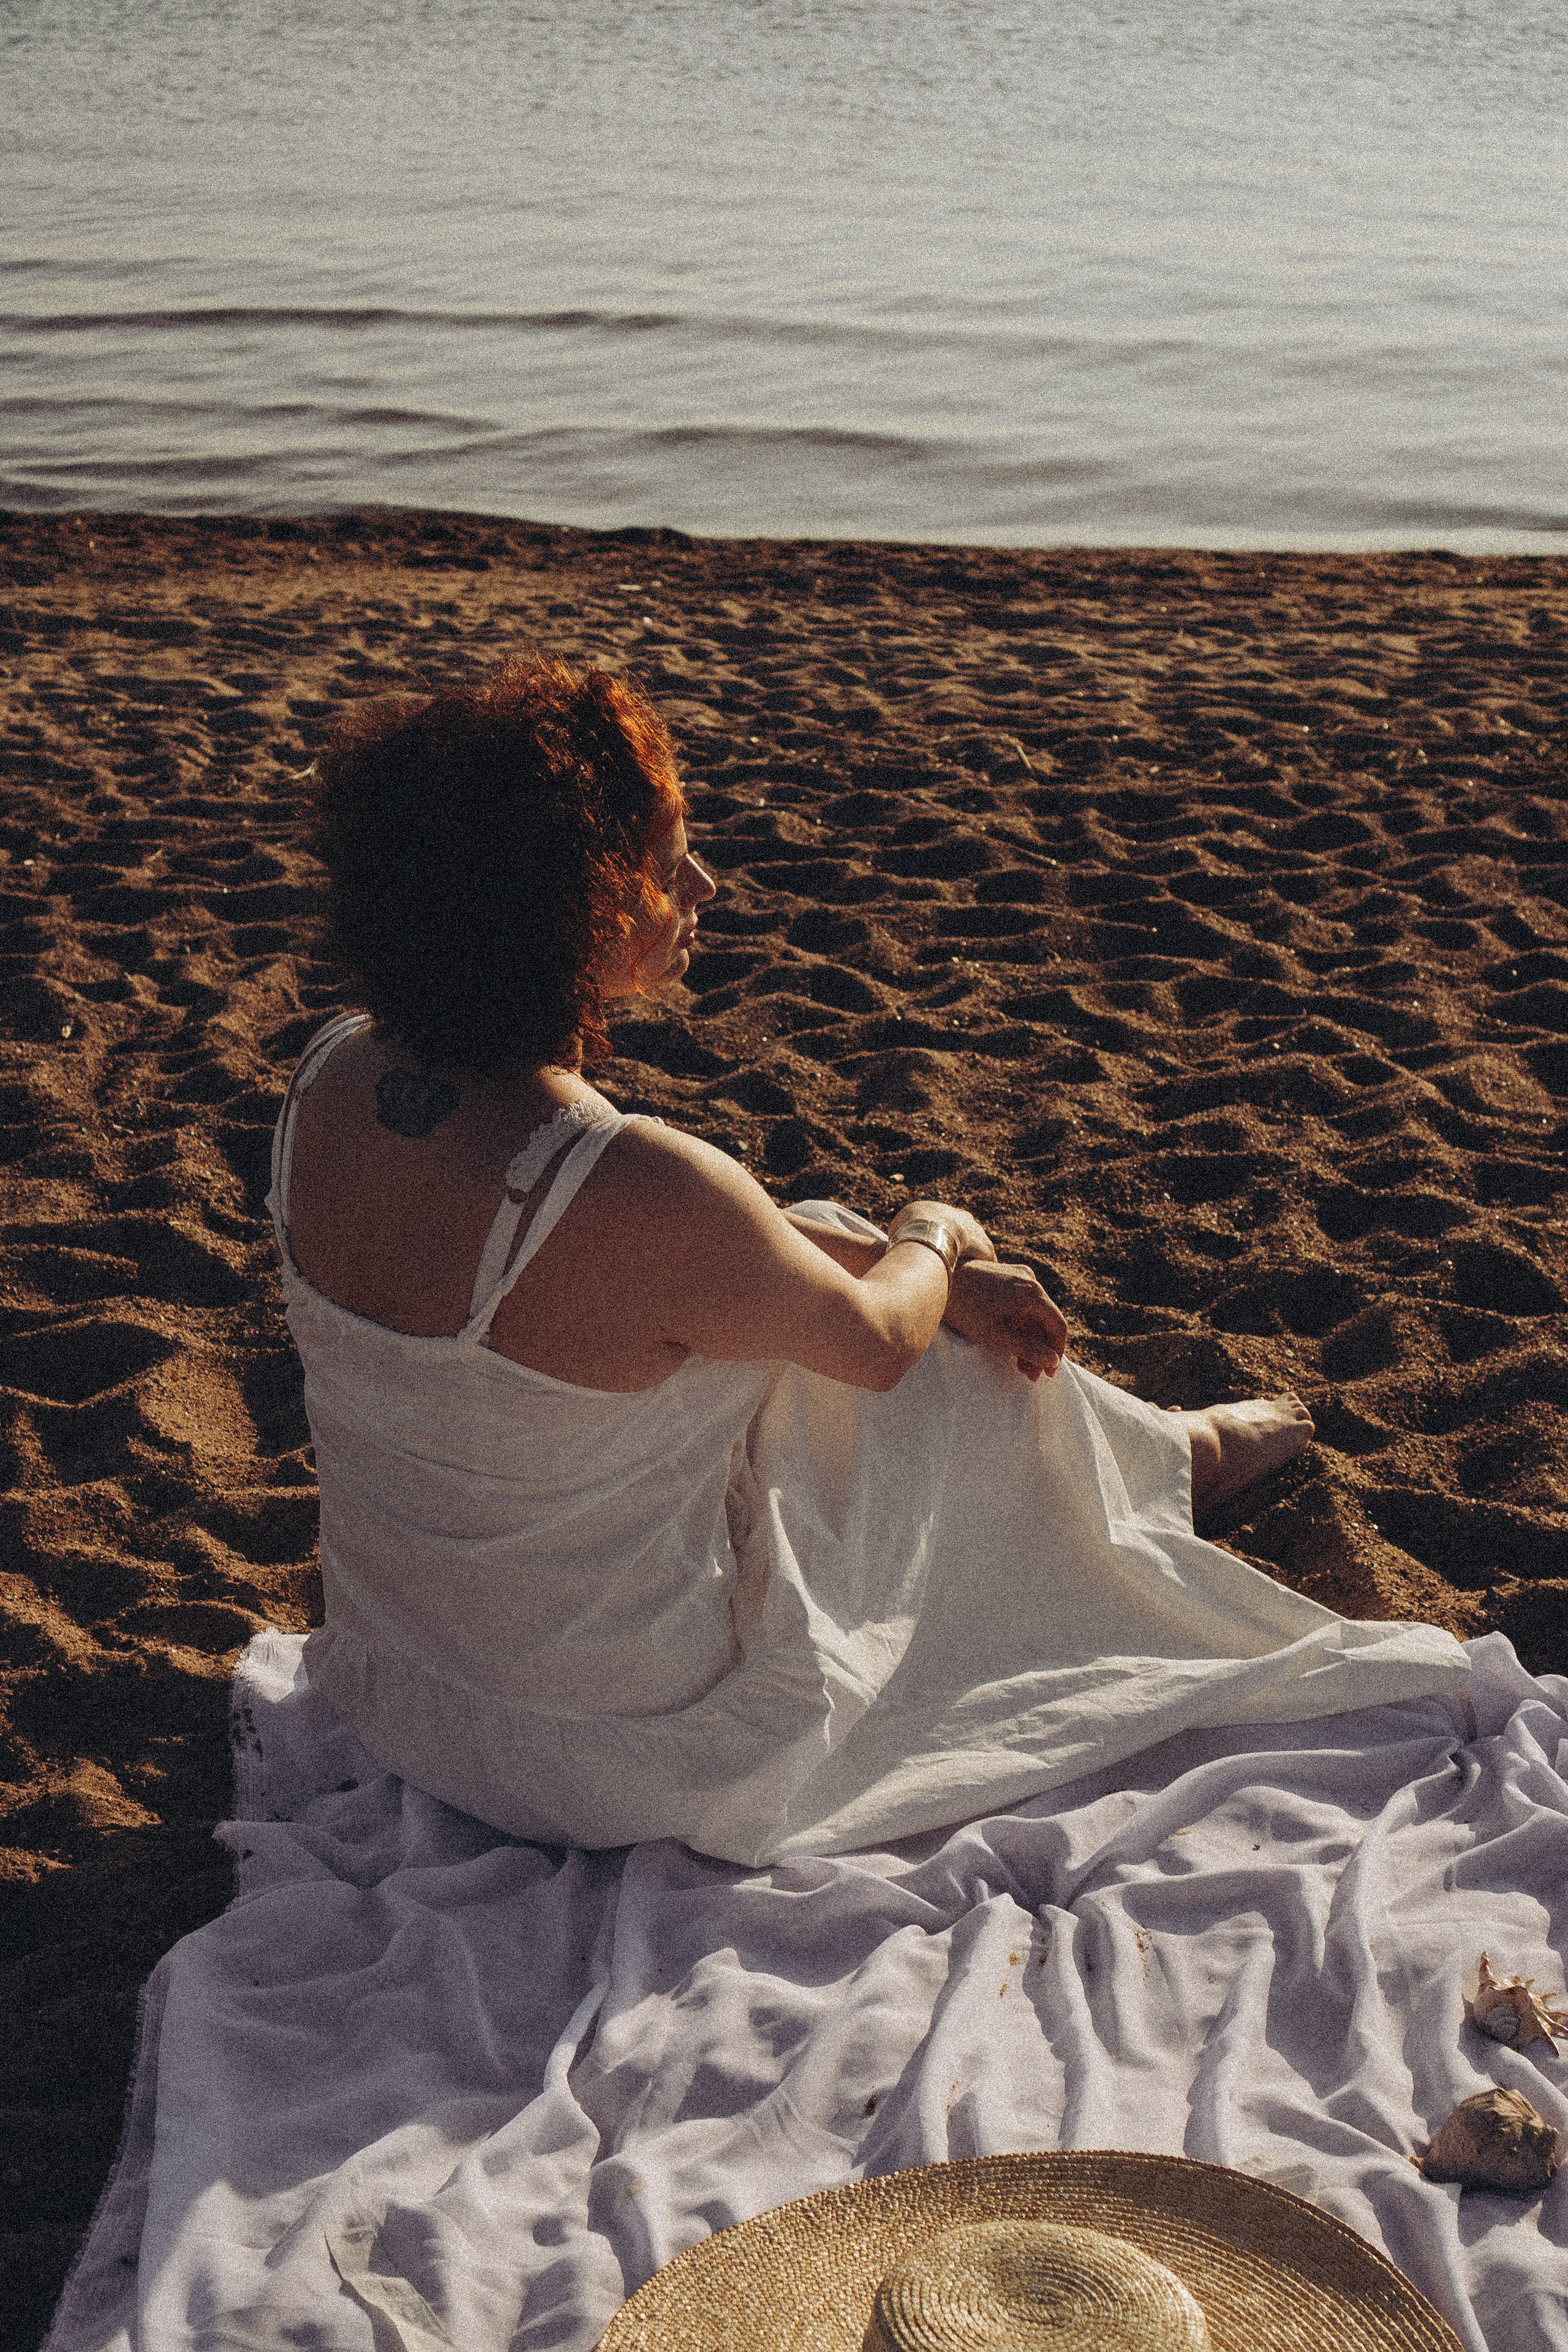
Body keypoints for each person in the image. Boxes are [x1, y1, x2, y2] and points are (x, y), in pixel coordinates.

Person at [268, 657, 1468, 1868]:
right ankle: (1166, 1463)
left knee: (813, 1252)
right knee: (898, 1350)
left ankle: (1153, 1455)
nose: (703, 882)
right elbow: (876, 1342)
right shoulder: (633, 1180)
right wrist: (942, 1232)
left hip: (407, 1696)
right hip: (619, 1756)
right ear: (565, 900)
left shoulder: (332, 1076)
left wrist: (924, 1274)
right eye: (664, 856)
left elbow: (696, 1251)